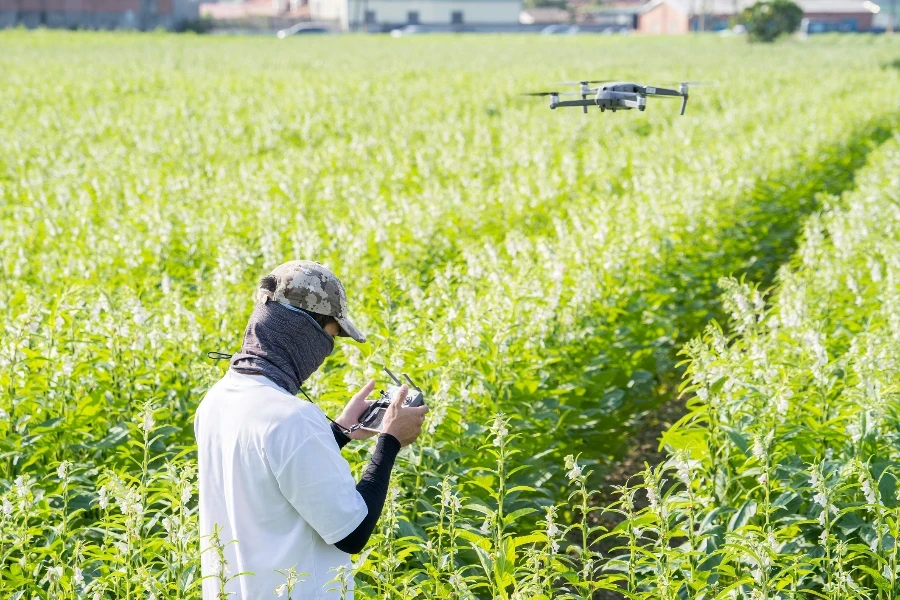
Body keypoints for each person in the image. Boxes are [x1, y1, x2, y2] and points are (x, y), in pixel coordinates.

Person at [194, 260, 428, 599]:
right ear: (303, 331)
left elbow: (271, 478)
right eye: (330, 337)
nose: (325, 354)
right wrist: (390, 441)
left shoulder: (217, 400)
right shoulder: (292, 419)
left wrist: (339, 432)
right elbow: (352, 533)